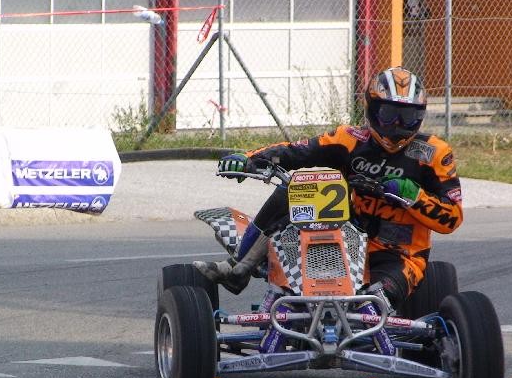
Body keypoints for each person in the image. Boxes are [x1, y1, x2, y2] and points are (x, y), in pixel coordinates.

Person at [194, 66, 463, 312]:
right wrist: (249, 158)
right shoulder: (349, 139)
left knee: (372, 307)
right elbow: (297, 151)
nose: (397, 125)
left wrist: (413, 195)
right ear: (372, 109)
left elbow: (452, 219)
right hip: (347, 241)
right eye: (389, 114)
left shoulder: (434, 154)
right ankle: (240, 267)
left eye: (407, 117)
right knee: (290, 191)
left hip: (400, 256)